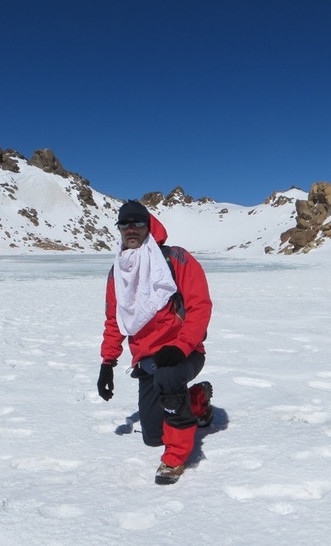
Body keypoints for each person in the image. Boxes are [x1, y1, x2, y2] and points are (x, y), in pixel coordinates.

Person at [97, 200, 214, 485]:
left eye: (137, 222)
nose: (131, 229)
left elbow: (200, 306)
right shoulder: (118, 272)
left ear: (148, 226)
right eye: (125, 224)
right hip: (148, 360)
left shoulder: (175, 259)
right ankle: (197, 401)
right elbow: (115, 319)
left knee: (169, 378)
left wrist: (181, 346)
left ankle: (175, 458)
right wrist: (107, 363)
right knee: (152, 436)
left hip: (184, 352)